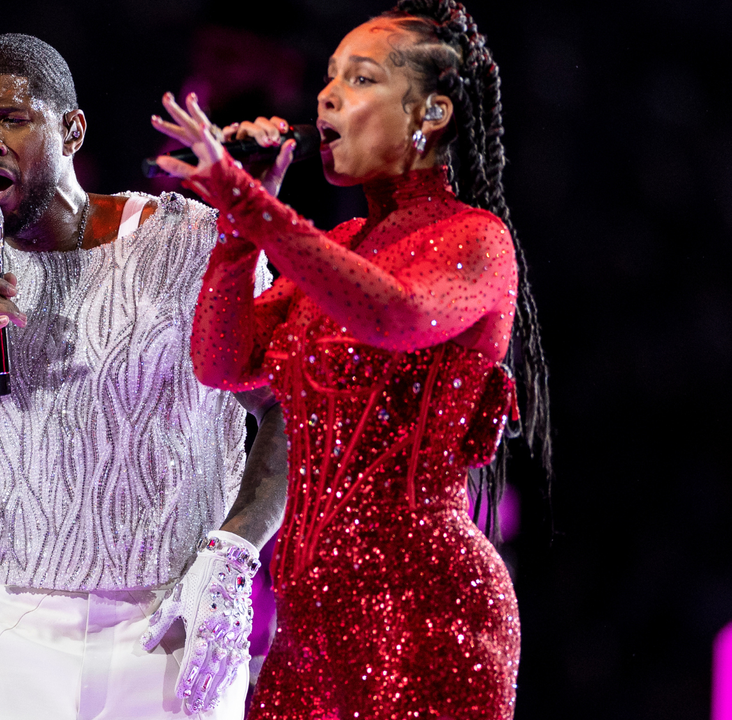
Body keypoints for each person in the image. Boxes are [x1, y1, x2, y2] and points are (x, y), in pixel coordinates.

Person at [0, 34, 289, 719]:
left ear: (72, 129)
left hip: (167, 626)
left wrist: (236, 550)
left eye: (10, 117)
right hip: (6, 638)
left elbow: (288, 410)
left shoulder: (190, 245)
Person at [151, 0, 552, 717]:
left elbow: (395, 313)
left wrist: (257, 212)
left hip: (425, 615)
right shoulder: (338, 244)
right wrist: (241, 232)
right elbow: (225, 361)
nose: (326, 96)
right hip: (307, 626)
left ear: (429, 114)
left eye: (360, 79)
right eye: (329, 77)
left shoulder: (476, 239)